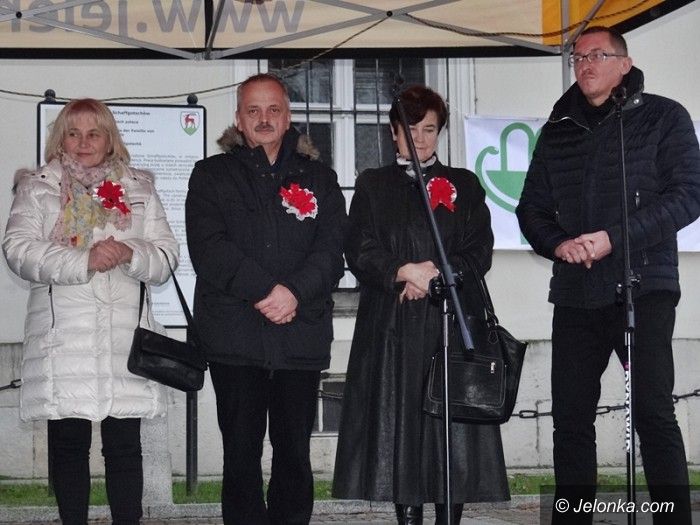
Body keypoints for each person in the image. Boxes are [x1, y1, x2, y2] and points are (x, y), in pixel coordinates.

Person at [516, 26, 699, 524]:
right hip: (576, 292)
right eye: (577, 57)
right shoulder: (558, 128)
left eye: (597, 55)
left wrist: (614, 238)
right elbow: (531, 209)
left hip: (644, 288)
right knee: (571, 420)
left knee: (653, 414)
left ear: (624, 63)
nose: (585, 64)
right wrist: (559, 244)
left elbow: (688, 195)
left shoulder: (664, 116)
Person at [332, 85, 510, 525]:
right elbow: (359, 248)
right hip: (392, 328)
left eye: (429, 129)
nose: (421, 139)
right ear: (394, 132)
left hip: (449, 324)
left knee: (450, 434)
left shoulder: (464, 184)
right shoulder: (373, 185)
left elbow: (479, 250)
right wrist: (402, 271)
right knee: (403, 429)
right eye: (411, 130)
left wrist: (435, 275)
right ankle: (407, 516)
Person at [2, 98, 179, 524]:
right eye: (73, 133)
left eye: (94, 133)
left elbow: (167, 256)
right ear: (60, 139)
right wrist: (83, 260)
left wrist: (130, 253)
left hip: (123, 340)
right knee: (68, 447)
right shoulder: (38, 188)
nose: (83, 142)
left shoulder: (139, 188)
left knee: (125, 448)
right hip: (63, 341)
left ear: (109, 139)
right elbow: (18, 251)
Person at [185, 73, 346, 525]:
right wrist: (266, 291)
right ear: (238, 118)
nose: (264, 118)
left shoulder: (319, 178)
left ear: (288, 116)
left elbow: (333, 250)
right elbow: (209, 249)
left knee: (294, 453)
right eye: (253, 110)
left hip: (300, 336)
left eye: (273, 109)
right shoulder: (211, 175)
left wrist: (293, 292)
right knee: (240, 454)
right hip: (235, 339)